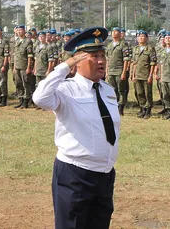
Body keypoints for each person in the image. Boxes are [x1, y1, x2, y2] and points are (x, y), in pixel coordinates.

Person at [33, 27, 119, 229]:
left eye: (102, 55)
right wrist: (65, 67)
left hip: (104, 174)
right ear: (78, 61)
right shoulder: (65, 89)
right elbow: (40, 98)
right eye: (94, 56)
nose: (101, 61)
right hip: (75, 175)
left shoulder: (108, 90)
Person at [130, 30, 157, 119]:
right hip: (137, 75)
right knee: (139, 93)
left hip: (146, 75)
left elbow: (152, 63)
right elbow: (134, 63)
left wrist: (150, 76)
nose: (140, 38)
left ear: (146, 38)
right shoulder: (135, 49)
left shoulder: (150, 49)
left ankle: (148, 110)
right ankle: (142, 109)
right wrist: (133, 75)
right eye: (139, 36)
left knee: (147, 93)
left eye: (142, 36)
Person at [106, 27, 131, 115]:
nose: (113, 33)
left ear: (120, 34)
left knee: (121, 90)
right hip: (111, 71)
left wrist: (124, 72)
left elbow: (126, 59)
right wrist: (106, 71)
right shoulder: (110, 45)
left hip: (119, 70)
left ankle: (121, 108)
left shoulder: (123, 45)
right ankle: (114, 107)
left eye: (116, 31)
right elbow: (108, 59)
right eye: (112, 31)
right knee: (112, 90)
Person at [13, 25, 34, 109]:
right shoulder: (17, 41)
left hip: (24, 66)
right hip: (17, 66)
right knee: (18, 84)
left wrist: (29, 67)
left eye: (20, 30)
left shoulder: (28, 41)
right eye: (17, 30)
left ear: (24, 31)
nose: (19, 32)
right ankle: (20, 100)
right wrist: (14, 66)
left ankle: (26, 101)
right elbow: (15, 55)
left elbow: (30, 56)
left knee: (26, 84)